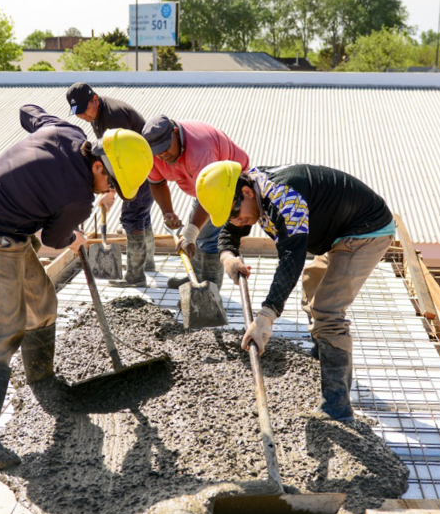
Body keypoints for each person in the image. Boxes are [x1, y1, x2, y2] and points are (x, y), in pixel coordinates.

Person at [0, 104, 153, 469]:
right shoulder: (77, 199)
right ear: (98, 165)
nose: (109, 191)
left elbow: (28, 112)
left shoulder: (68, 133)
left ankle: (42, 382)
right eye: (112, 183)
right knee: (4, 330)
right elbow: (55, 237)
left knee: (43, 303)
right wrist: (75, 235)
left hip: (10, 229)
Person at [196, 162, 395, 421]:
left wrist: (264, 319)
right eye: (229, 216)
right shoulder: (249, 191)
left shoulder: (284, 198)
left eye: (235, 212)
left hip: (366, 231)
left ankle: (337, 407)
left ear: (245, 192)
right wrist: (227, 258)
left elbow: (291, 260)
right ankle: (321, 353)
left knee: (328, 309)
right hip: (340, 232)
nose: (237, 221)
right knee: (312, 284)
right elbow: (231, 231)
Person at [141, 115, 249, 290]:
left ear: (175, 133)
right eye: (157, 151)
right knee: (196, 233)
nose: (162, 154)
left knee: (209, 236)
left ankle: (210, 293)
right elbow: (157, 182)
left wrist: (191, 232)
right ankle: (197, 280)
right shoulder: (153, 154)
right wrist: (168, 212)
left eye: (165, 147)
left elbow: (211, 195)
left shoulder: (200, 150)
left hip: (229, 183)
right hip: (202, 186)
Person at [67, 82, 156, 286]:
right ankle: (146, 263)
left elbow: (122, 160)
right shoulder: (96, 113)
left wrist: (112, 191)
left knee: (132, 216)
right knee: (142, 214)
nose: (83, 116)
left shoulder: (114, 117)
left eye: (85, 110)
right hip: (138, 168)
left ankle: (136, 275)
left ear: (95, 99)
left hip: (138, 170)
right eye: (78, 113)